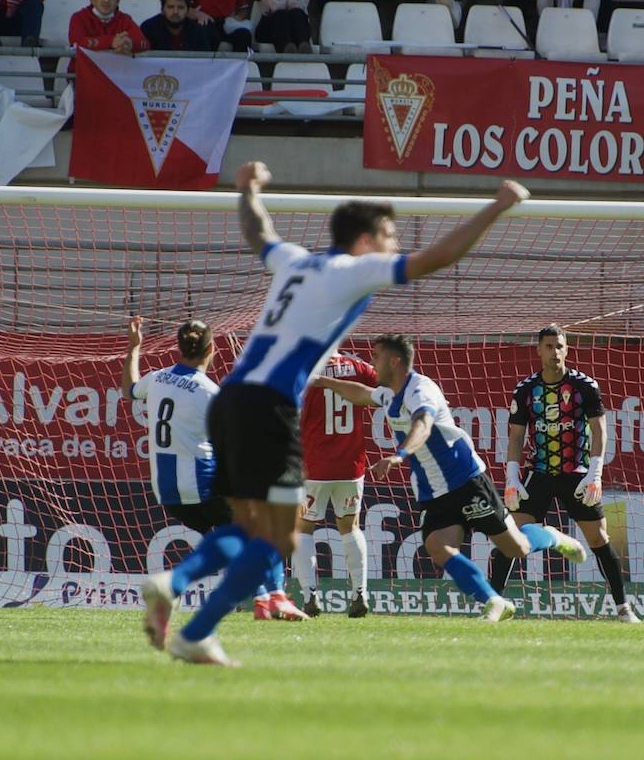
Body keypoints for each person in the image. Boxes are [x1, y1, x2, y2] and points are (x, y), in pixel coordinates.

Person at [156, 161, 530, 665]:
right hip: (268, 407)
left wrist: (247, 189)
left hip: (230, 398)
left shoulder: (295, 261)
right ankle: (179, 600)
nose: (395, 243)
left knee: (254, 532)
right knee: (279, 537)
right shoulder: (354, 269)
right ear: (365, 239)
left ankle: (186, 612)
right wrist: (497, 208)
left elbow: (257, 230)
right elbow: (437, 258)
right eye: (390, 234)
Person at [317, 333, 588, 624]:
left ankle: (551, 536)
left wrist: (399, 455)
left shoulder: (421, 389)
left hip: (466, 480)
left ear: (394, 361)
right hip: (435, 492)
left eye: (376, 356)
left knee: (515, 547)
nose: (371, 362)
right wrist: (320, 381)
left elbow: (422, 424)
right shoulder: (388, 393)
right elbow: (359, 393)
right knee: (438, 548)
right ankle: (494, 601)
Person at [131, 317, 305, 652]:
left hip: (167, 492)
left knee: (234, 535)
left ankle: (255, 597)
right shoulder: (210, 392)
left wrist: (134, 347)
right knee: (263, 526)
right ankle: (269, 598)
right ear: (211, 349)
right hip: (200, 485)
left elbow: (129, 389)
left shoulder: (156, 379)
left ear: (179, 347)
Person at [491, 325, 638, 622]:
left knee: (599, 539)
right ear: (538, 350)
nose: (554, 352)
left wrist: (595, 473)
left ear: (567, 349)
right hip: (540, 472)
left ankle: (624, 609)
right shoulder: (526, 389)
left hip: (577, 474)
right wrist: (512, 478)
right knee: (510, 538)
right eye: (548, 346)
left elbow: (600, 430)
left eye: (559, 346)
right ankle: (493, 606)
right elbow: (516, 437)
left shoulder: (585, 386)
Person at [294, 352, 380, 618]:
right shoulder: (356, 366)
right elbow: (385, 386)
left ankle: (310, 595)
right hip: (350, 465)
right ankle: (360, 593)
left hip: (313, 465)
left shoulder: (301, 368)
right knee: (350, 526)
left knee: (303, 528)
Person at [68, 0, 151, 55]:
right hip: (83, 68)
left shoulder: (125, 20)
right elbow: (76, 43)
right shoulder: (79, 17)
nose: (106, 0)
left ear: (118, 0)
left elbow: (144, 44)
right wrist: (112, 41)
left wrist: (130, 43)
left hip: (115, 68)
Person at [141, 0, 214, 51]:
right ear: (162, 10)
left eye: (181, 7)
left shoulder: (198, 31)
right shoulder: (148, 28)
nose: (175, 12)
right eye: (170, 7)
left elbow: (204, 62)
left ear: (188, 11)